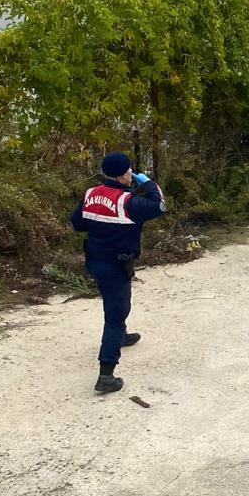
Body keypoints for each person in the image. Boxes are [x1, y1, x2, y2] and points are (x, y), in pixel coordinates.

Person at [70, 151, 167, 395]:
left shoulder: (90, 194)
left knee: (115, 303)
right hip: (116, 265)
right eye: (129, 171)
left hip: (95, 261)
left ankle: (121, 336)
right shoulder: (128, 202)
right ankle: (106, 374)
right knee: (116, 312)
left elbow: (77, 223)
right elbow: (160, 205)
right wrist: (148, 183)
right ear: (125, 174)